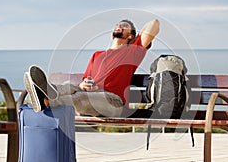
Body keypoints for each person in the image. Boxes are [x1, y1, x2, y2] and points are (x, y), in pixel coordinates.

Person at [24, 19, 160, 117]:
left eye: (124, 26)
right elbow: (85, 81)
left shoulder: (133, 51)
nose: (119, 26)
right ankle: (46, 92)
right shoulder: (97, 55)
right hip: (93, 95)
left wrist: (136, 38)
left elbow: (154, 24)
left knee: (80, 97)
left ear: (130, 35)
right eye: (118, 24)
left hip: (114, 101)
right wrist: (85, 85)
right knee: (70, 86)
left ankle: (46, 101)